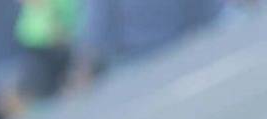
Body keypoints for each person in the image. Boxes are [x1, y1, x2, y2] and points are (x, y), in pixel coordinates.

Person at [74, 0, 225, 82]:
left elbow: (96, 38)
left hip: (136, 70)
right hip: (185, 55)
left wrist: (79, 79)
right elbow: (209, 14)